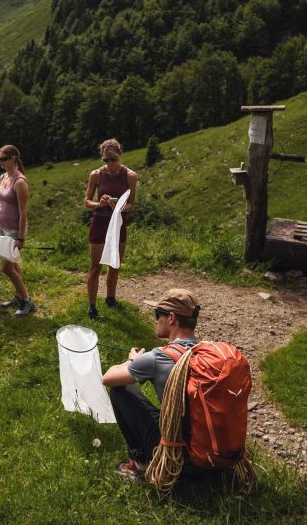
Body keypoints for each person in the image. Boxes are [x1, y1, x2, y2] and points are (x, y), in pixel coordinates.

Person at [101, 288, 201, 481]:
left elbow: (108, 378)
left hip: (179, 458)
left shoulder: (159, 357)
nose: (156, 320)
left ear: (171, 318)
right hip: (210, 452)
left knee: (121, 391)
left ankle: (142, 463)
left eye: (158, 314)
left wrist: (132, 360)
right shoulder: (207, 352)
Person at [83, 138, 137, 320]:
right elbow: (87, 201)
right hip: (100, 221)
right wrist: (100, 203)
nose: (110, 164)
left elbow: (132, 203)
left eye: (113, 159)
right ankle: (92, 306)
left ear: (120, 155)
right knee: (95, 267)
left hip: (118, 223)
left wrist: (121, 207)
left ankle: (110, 298)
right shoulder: (96, 175)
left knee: (115, 264)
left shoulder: (130, 175)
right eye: (106, 160)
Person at [0, 144, 34, 316]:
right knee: (14, 264)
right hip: (3, 227)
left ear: (13, 159)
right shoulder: (3, 177)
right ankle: (19, 295)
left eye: (4, 159)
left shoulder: (20, 182)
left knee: (7, 268)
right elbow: (1, 204)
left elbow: (24, 211)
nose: (1, 162)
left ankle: (26, 301)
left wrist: (21, 236)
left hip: (13, 230)